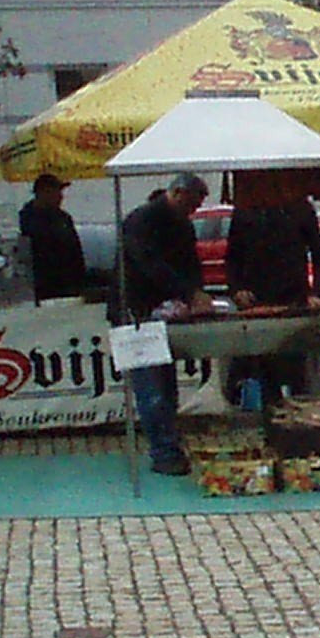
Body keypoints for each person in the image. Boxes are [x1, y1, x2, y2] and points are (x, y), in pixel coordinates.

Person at [113, 173, 213, 475]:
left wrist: (195, 291)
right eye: (193, 204)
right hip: (136, 314)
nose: (194, 211)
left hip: (159, 313)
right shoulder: (141, 221)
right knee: (152, 389)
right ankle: (163, 450)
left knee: (165, 389)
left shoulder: (180, 224)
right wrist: (188, 291)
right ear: (178, 193)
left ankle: (168, 444)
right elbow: (148, 264)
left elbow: (191, 264)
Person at [224, 197, 320, 405]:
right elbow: (232, 257)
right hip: (257, 302)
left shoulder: (301, 208)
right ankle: (266, 411)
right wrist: (237, 289)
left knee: (296, 369)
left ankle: (298, 415)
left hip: (294, 300)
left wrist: (316, 293)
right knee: (261, 367)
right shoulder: (245, 210)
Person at [17, 172, 87, 303]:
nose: (61, 197)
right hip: (42, 288)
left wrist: (80, 282)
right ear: (42, 193)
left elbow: (76, 253)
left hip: (69, 287)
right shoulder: (26, 220)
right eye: (56, 192)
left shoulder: (64, 218)